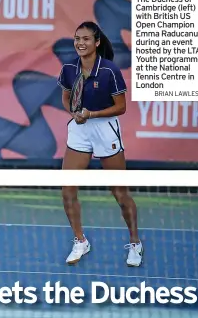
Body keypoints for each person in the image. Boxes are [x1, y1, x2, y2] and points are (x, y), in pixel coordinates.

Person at [57, 21, 143, 267]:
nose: (80, 43)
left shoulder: (109, 71)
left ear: (96, 43)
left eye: (85, 39)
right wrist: (74, 113)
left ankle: (135, 243)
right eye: (77, 38)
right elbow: (66, 98)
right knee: (67, 190)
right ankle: (80, 240)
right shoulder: (68, 69)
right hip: (80, 129)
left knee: (119, 192)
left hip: (105, 129)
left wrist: (91, 114)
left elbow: (121, 107)